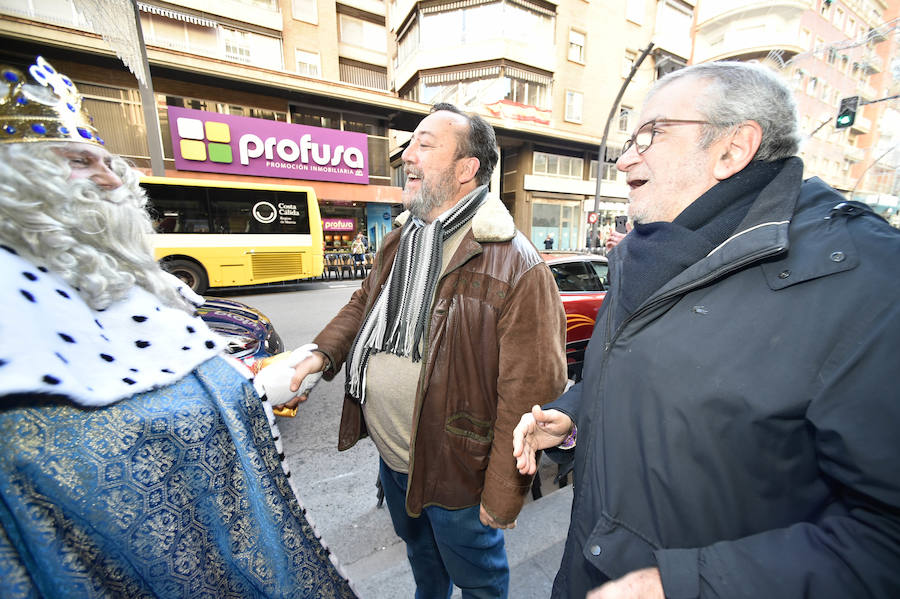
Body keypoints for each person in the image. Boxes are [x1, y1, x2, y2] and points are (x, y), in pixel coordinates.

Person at [513, 60, 900, 598]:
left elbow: (885, 540)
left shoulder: (870, 282)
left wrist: (691, 585)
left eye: (650, 135)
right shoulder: (639, 257)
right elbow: (650, 382)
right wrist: (574, 416)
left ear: (733, 149)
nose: (626, 158)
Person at [0, 57, 355, 598]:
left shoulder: (110, 279)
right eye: (79, 161)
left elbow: (166, 408)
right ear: (19, 184)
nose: (107, 178)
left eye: (107, 162)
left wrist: (260, 387)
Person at [281, 103, 567, 598]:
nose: (406, 156)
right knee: (422, 562)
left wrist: (499, 497)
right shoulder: (402, 239)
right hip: (395, 459)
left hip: (458, 470)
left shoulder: (516, 263)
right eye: (409, 145)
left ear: (466, 169)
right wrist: (319, 355)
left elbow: (530, 391)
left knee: (479, 581)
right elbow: (362, 303)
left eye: (424, 144)